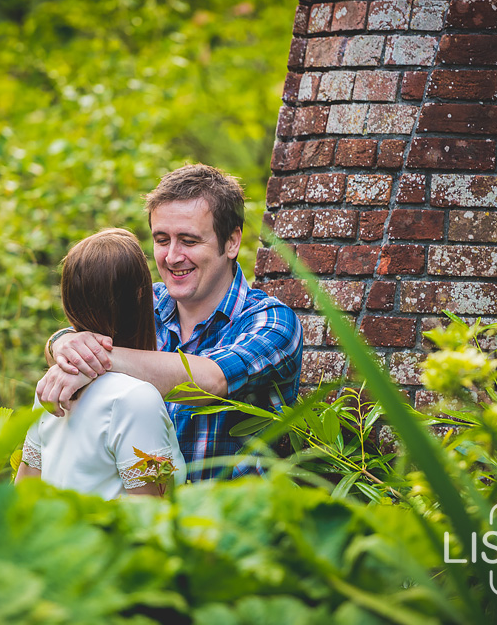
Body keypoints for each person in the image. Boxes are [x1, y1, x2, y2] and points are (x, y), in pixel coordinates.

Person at [35, 164, 301, 481]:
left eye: (188, 241)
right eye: (162, 240)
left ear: (231, 242)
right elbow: (73, 333)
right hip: (142, 512)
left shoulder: (272, 321)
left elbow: (210, 382)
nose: (172, 256)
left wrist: (95, 359)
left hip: (228, 520)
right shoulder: (141, 301)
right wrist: (65, 344)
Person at [16, 228, 186, 499]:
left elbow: (23, 494)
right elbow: (152, 521)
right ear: (143, 296)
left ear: (68, 301)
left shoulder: (51, 386)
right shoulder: (136, 397)